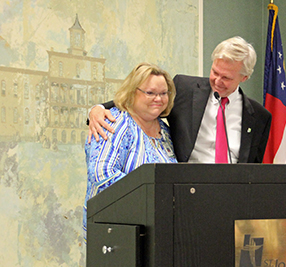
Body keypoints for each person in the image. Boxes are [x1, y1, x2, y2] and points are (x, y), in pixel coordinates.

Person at [88, 36, 272, 163]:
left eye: (227, 78)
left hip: (231, 199)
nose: (217, 81)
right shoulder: (185, 88)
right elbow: (143, 99)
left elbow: (253, 170)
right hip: (186, 193)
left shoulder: (259, 116)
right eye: (215, 72)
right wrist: (97, 108)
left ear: (244, 77)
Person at [83, 62, 177, 242]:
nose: (158, 98)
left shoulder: (166, 131)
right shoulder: (113, 122)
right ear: (132, 92)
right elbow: (101, 175)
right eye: (150, 93)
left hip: (157, 233)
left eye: (163, 93)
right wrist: (154, 199)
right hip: (116, 233)